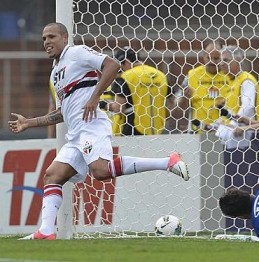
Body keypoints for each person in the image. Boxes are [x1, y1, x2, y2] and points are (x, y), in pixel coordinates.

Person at [8, 22, 189, 240]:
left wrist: (95, 98)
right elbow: (61, 113)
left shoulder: (76, 53)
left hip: (92, 125)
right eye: (44, 38)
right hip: (76, 133)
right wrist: (29, 122)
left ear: (65, 38)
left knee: (100, 171)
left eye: (52, 37)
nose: (47, 42)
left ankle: (167, 162)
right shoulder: (55, 72)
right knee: (52, 176)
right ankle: (46, 231)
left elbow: (112, 65)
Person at [103, 47, 170, 135]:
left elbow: (119, 108)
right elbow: (170, 103)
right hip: (159, 129)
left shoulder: (126, 77)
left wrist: (104, 104)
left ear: (126, 62)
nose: (121, 70)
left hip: (133, 129)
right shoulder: (160, 75)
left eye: (121, 66)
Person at [178, 40, 230, 132]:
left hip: (225, 130)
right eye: (208, 58)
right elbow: (179, 108)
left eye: (216, 58)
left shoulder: (229, 75)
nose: (212, 61)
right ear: (203, 57)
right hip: (198, 130)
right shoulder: (192, 75)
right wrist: (184, 98)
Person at [218, 45, 259, 122]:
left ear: (238, 60)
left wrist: (233, 124)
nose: (221, 64)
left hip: (248, 130)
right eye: (220, 60)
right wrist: (215, 125)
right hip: (233, 130)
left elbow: (247, 108)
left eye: (226, 60)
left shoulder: (246, 80)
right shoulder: (229, 82)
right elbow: (228, 112)